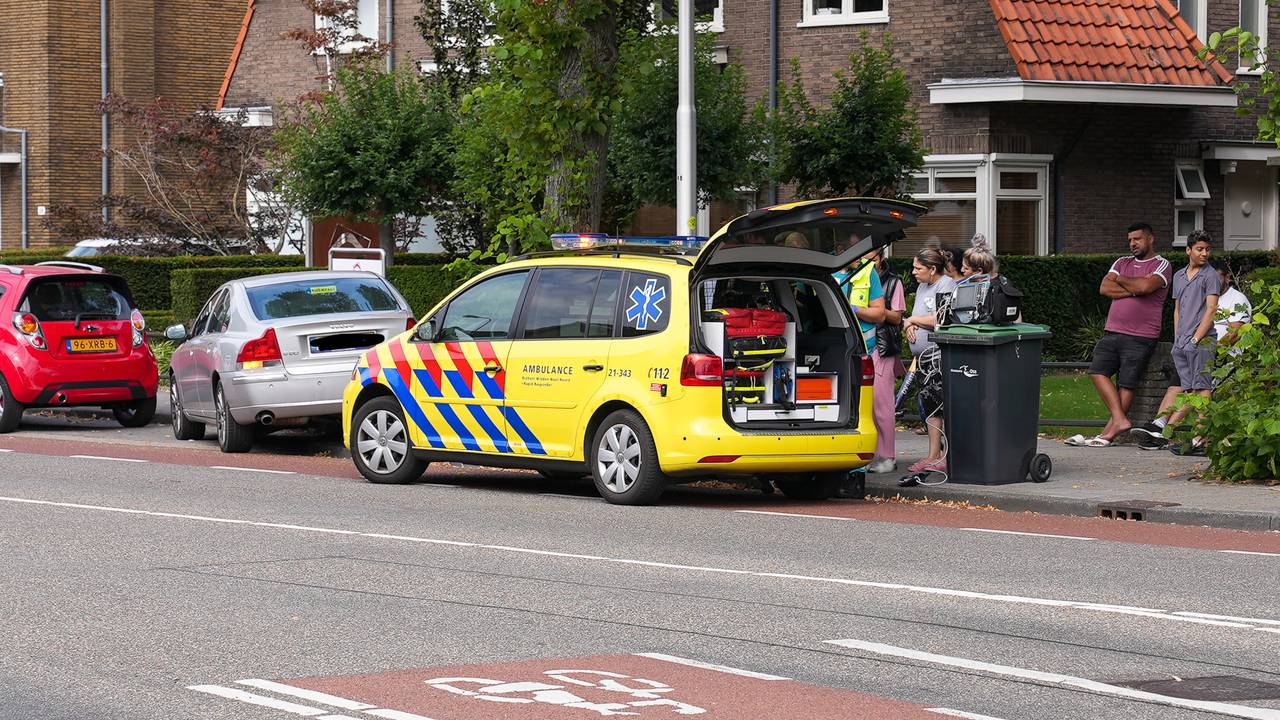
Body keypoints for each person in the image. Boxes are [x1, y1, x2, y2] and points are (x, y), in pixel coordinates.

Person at [1067, 222, 1172, 448]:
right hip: (1113, 330)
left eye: (1137, 239)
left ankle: (1107, 434)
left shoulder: (1162, 265)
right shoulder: (1121, 262)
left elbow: (1146, 287)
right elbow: (1105, 288)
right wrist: (1136, 286)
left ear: (1150, 239)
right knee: (1097, 371)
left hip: (1141, 334)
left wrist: (1124, 282)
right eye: (1130, 240)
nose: (1133, 244)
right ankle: (1120, 420)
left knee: (1127, 382)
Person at [1129, 230, 1221, 454]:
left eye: (1207, 249)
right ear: (1188, 250)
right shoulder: (1179, 276)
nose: (1204, 253)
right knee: (1187, 389)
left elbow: (1211, 310)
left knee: (1202, 389)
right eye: (1200, 249)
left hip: (1202, 341)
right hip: (1182, 343)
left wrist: (1196, 338)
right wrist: (1178, 339)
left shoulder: (1211, 276)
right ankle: (1166, 429)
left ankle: (1200, 440)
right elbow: (1177, 310)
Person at [833, 238, 886, 493]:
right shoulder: (827, 272)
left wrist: (854, 309)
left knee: (858, 407)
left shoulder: (868, 274)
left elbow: (880, 314)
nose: (861, 257)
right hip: (831, 346)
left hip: (861, 348)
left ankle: (855, 472)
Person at [902, 247, 957, 474]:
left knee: (942, 406)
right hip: (922, 358)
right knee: (930, 407)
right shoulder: (922, 286)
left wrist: (913, 319)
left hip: (938, 357)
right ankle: (932, 455)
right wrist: (909, 325)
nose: (914, 272)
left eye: (918, 268)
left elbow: (941, 318)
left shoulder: (946, 285)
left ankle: (945, 456)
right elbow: (917, 319)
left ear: (932, 269)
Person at [868, 249, 906, 474]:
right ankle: (873, 453)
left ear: (881, 259)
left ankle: (887, 456)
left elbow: (898, 317)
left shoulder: (892, 282)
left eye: (871, 258)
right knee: (869, 404)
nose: (866, 262)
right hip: (867, 343)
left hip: (882, 346)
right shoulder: (860, 279)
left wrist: (874, 311)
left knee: (882, 405)